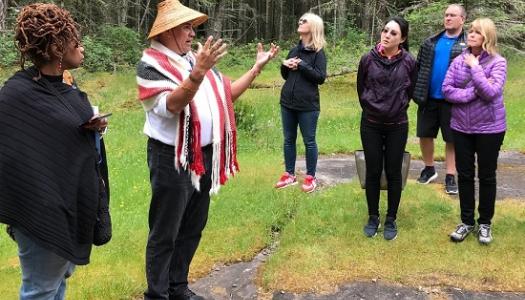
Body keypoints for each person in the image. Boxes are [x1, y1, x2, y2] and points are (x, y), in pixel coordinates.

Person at [136, 1, 279, 299]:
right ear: (167, 32)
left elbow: (226, 95)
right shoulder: (150, 65)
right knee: (166, 232)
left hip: (202, 157)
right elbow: (172, 106)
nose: (192, 33)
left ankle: (177, 287)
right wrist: (199, 72)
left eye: (192, 27)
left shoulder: (190, 60)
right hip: (172, 158)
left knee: (192, 226)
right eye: (186, 27)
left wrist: (256, 68)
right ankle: (157, 294)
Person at [0, 3, 108, 299]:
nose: (82, 47)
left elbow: (67, 139)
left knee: (56, 286)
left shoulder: (64, 89)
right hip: (40, 214)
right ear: (58, 47)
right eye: (75, 40)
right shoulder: (17, 94)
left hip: (68, 207)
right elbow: (15, 153)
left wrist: (93, 131)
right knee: (40, 290)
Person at [442, 18, 507, 245]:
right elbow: (447, 90)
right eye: (470, 31)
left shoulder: (498, 62)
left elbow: (490, 92)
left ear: (486, 37)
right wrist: (470, 94)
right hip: (461, 127)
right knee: (465, 174)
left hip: (490, 128)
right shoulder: (458, 60)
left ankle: (485, 224)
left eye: (477, 32)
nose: (471, 35)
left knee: (487, 176)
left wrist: (475, 67)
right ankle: (467, 222)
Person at [356, 16, 416, 240]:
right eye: (385, 30)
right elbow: (361, 89)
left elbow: (409, 92)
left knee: (393, 172)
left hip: (397, 125)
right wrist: (373, 109)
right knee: (372, 171)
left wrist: (396, 107)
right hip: (370, 124)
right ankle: (373, 217)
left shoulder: (409, 62)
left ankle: (391, 219)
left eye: (393, 33)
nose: (387, 35)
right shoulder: (367, 59)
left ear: (402, 39)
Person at [413, 4, 467, 194]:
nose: (448, 18)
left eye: (453, 15)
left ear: (462, 19)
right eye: (446, 15)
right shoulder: (430, 42)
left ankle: (451, 175)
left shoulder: (468, 44)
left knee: (451, 139)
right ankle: (429, 169)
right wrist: (416, 90)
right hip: (428, 97)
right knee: (424, 134)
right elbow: (418, 68)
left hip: (453, 100)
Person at [274, 12, 327, 193]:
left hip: (308, 106)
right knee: (289, 139)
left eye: (304, 21)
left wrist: (302, 65)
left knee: (309, 141)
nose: (300, 22)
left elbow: (320, 77)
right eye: (300, 20)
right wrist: (285, 65)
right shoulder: (294, 50)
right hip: (287, 103)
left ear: (312, 27)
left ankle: (310, 177)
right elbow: (286, 76)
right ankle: (289, 175)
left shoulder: (319, 53)